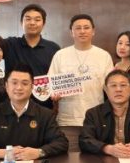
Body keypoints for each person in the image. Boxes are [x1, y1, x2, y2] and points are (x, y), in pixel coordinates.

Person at [47, 14, 112, 151]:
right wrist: (54, 94)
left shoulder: (104, 56)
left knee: (95, 160)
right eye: (78, 28)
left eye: (86, 27)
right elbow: (50, 84)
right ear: (72, 32)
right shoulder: (60, 55)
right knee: (70, 159)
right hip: (68, 120)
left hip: (96, 120)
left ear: (93, 31)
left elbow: (110, 88)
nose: (82, 31)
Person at [79, 70, 130, 157]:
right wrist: (108, 149)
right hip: (105, 161)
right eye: (113, 85)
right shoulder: (93, 113)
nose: (118, 89)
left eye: (123, 85)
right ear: (106, 89)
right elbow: (85, 140)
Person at [0, 0, 60, 79]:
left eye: (37, 20)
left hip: (44, 87)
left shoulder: (53, 48)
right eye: (28, 19)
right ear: (21, 23)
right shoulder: (10, 44)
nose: (32, 23)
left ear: (43, 24)